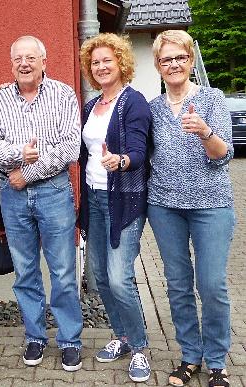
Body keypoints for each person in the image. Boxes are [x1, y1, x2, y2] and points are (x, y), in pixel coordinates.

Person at [0, 35, 83, 371]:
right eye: (17, 59)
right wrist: (17, 158)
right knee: (25, 271)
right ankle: (35, 337)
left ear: (44, 61)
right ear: (11, 63)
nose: (23, 64)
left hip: (53, 191)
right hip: (11, 194)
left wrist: (30, 172)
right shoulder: (0, 96)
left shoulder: (63, 94)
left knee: (64, 271)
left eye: (30, 58)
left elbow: (70, 147)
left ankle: (69, 340)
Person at [147, 30, 235, 387]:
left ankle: (217, 360)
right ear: (158, 65)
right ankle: (189, 356)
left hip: (211, 205)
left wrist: (205, 132)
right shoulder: (152, 108)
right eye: (166, 59)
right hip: (165, 207)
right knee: (178, 284)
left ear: (190, 60)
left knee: (212, 284)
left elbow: (224, 154)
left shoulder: (212, 99)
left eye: (179, 57)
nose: (173, 65)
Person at [78, 33, 152, 382]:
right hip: (94, 197)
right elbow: (85, 153)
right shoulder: (91, 105)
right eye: (95, 62)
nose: (101, 66)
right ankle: (120, 336)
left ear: (121, 62)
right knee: (100, 278)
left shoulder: (133, 101)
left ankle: (139, 347)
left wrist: (120, 160)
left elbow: (139, 152)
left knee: (120, 279)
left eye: (107, 60)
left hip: (123, 199)